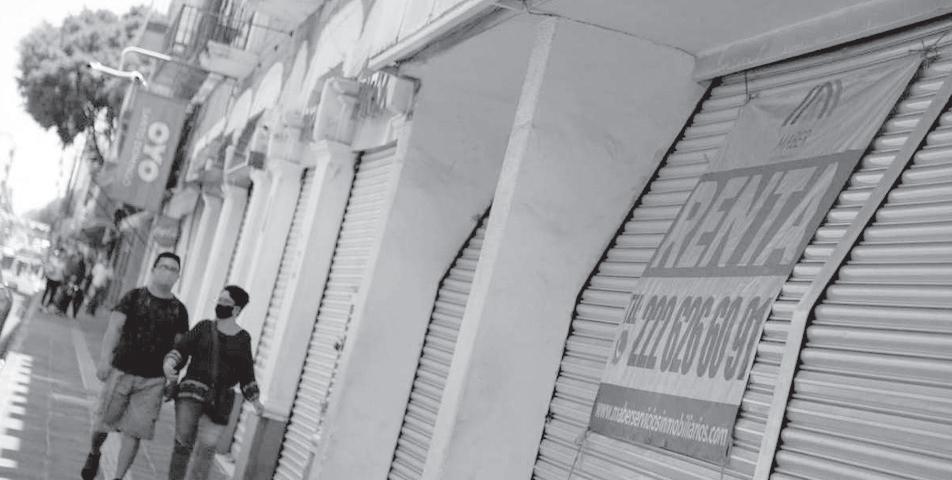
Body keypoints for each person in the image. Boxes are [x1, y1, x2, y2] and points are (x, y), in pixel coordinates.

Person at [81, 252, 190, 480]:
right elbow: (114, 329)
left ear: (178, 277)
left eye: (173, 269)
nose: (168, 272)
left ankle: (118, 477)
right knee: (103, 423)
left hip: (153, 381)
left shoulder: (179, 310)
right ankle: (94, 452)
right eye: (164, 267)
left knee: (134, 432)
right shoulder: (134, 297)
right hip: (121, 371)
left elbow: (179, 349)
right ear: (154, 269)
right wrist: (104, 360)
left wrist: (173, 379)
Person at [163, 285, 263, 480]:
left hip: (220, 400)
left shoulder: (243, 339)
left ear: (236, 309)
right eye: (219, 299)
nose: (220, 304)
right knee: (183, 444)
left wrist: (255, 400)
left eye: (226, 302)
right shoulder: (203, 327)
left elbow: (246, 372)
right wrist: (170, 363)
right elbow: (182, 348)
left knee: (207, 448)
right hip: (190, 394)